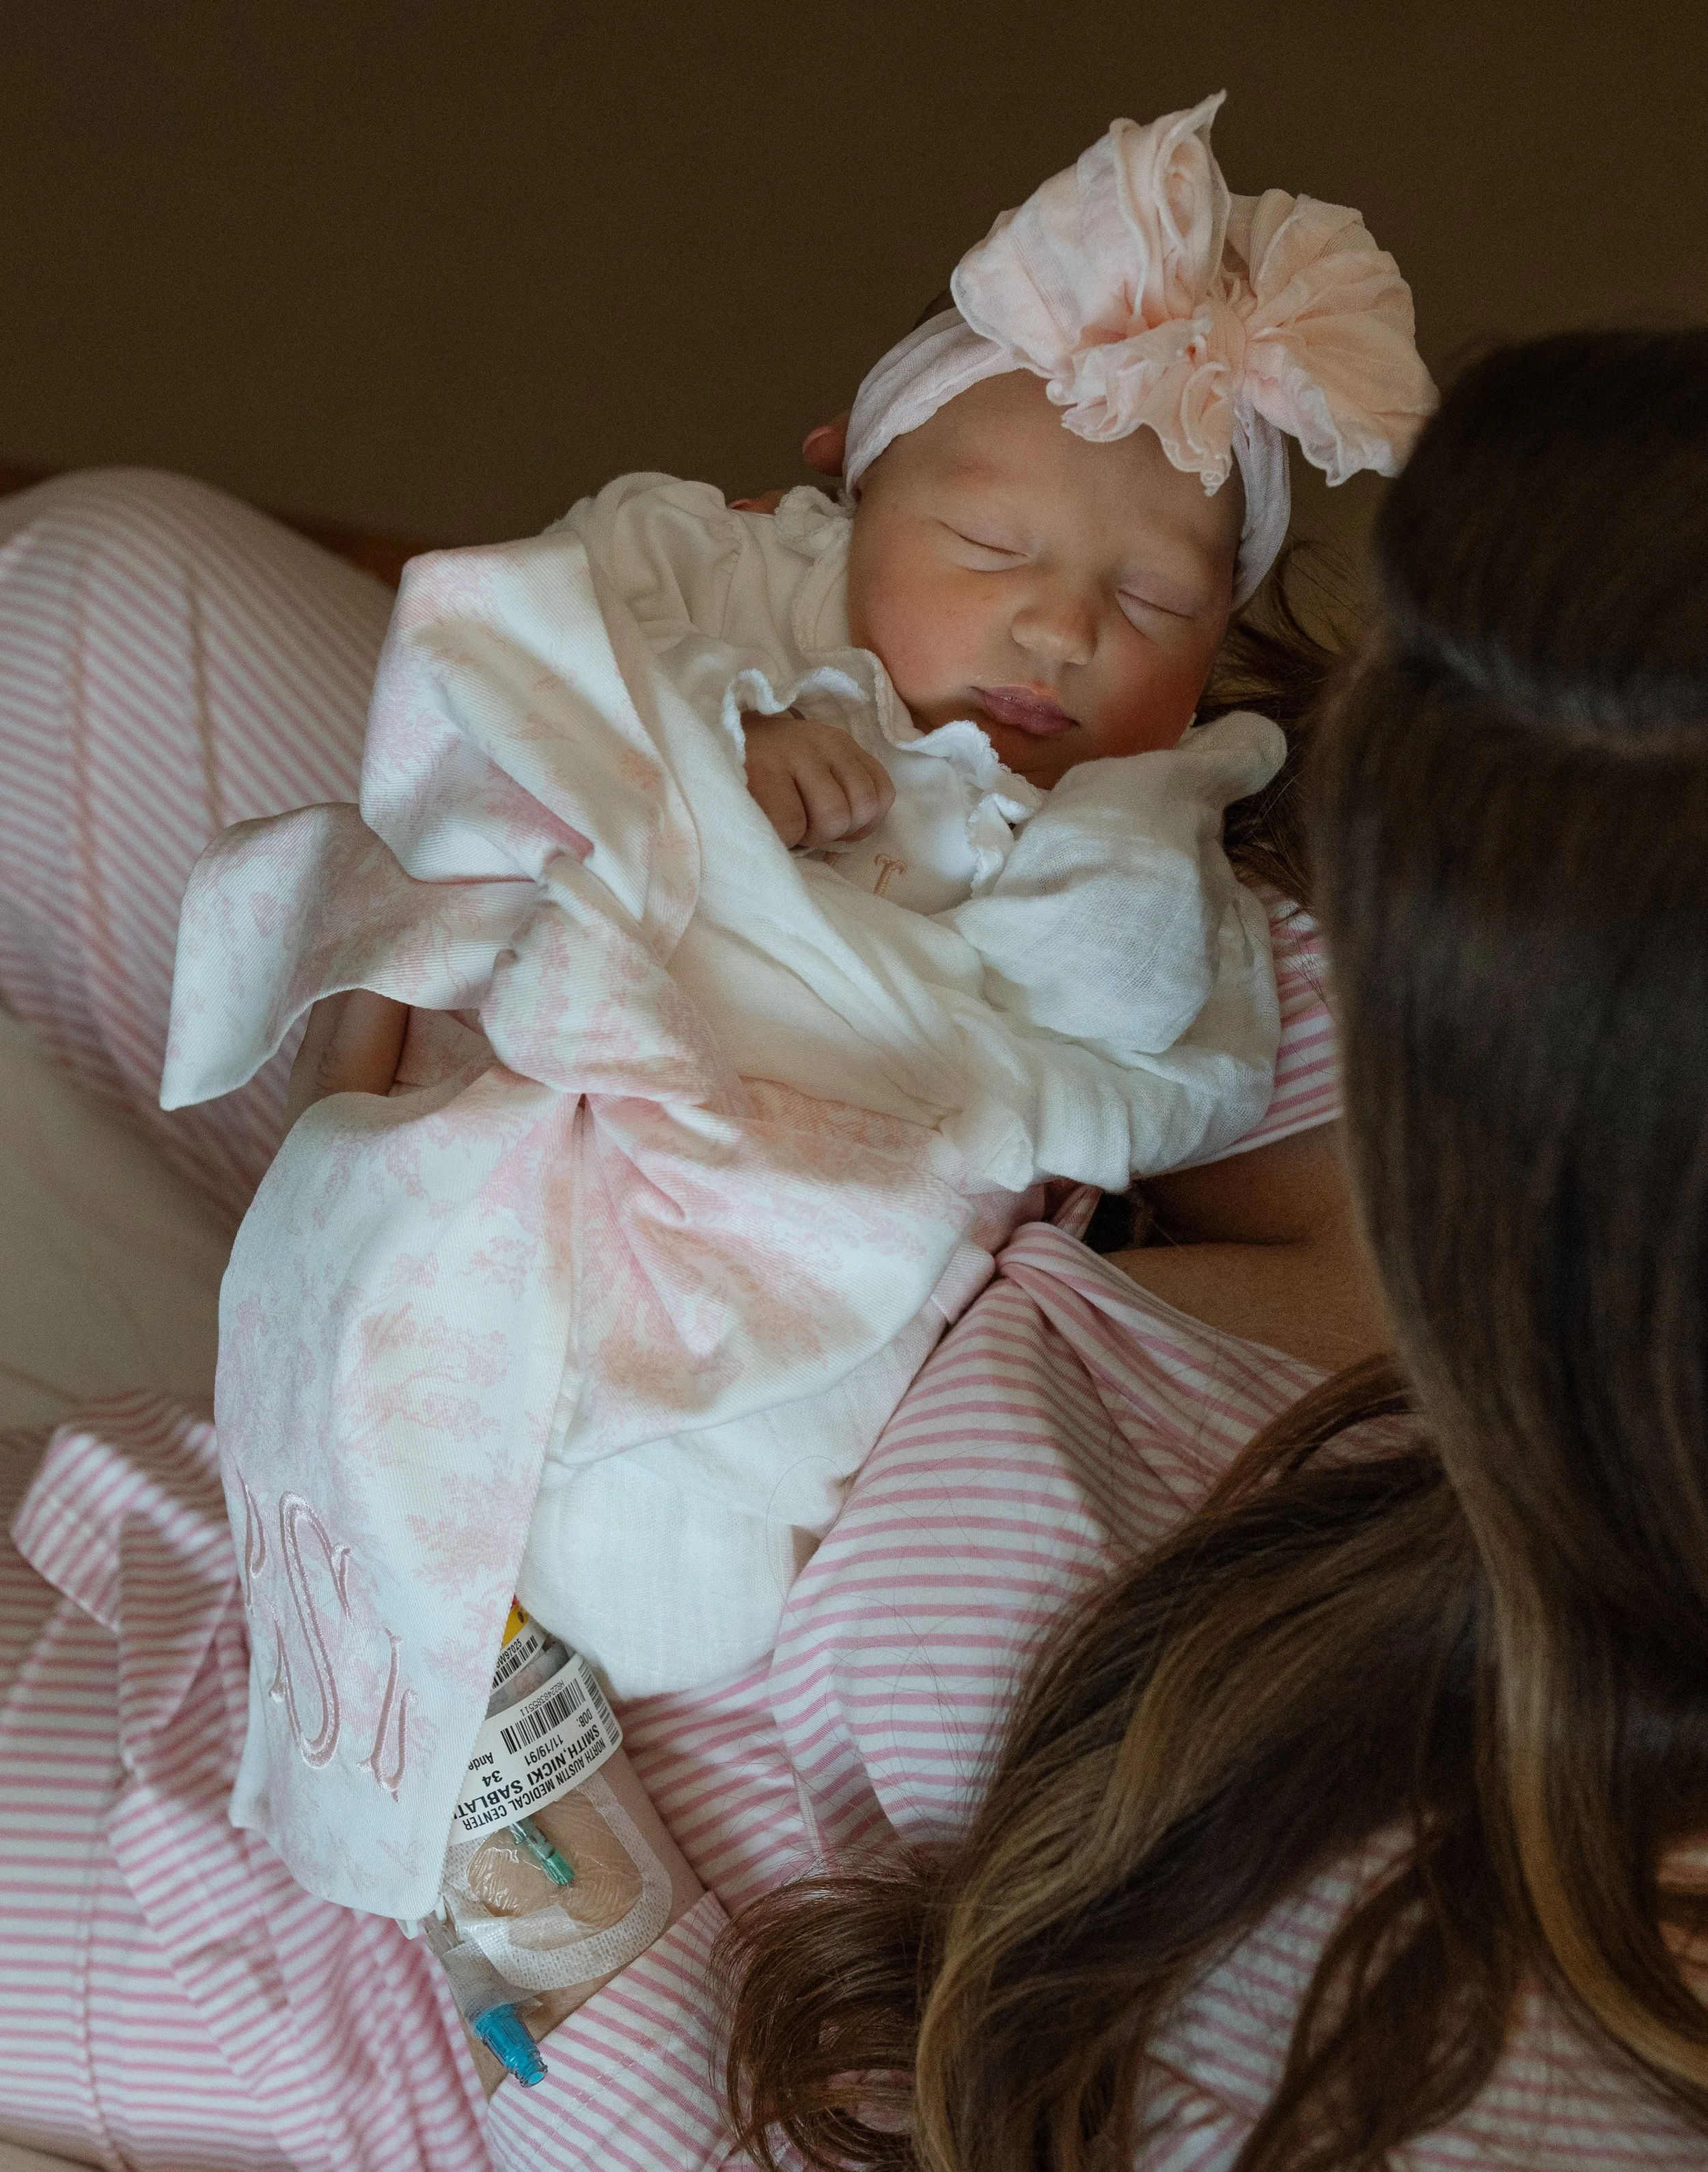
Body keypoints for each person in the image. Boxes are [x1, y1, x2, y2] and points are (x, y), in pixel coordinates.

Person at [5, 325, 1708, 2168]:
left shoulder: (1489, 2029)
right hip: (708, 1199)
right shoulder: (1451, 1095)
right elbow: (1179, 968)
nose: (1340, 697)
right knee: (95, 591)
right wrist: (806, 677)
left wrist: (437, 1661)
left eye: (1404, 719)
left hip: (551, 1906)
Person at [150, 97, 1431, 1933]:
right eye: (986, 542)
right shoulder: (746, 611)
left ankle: (493, 1543)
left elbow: (1123, 1034)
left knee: (683, 1481)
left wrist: (1094, 867)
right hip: (529, 1064)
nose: (1060, 630)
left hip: (809, 1197)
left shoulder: (1151, 810)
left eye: (1148, 598)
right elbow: (517, 683)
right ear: (842, 491)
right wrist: (691, 762)